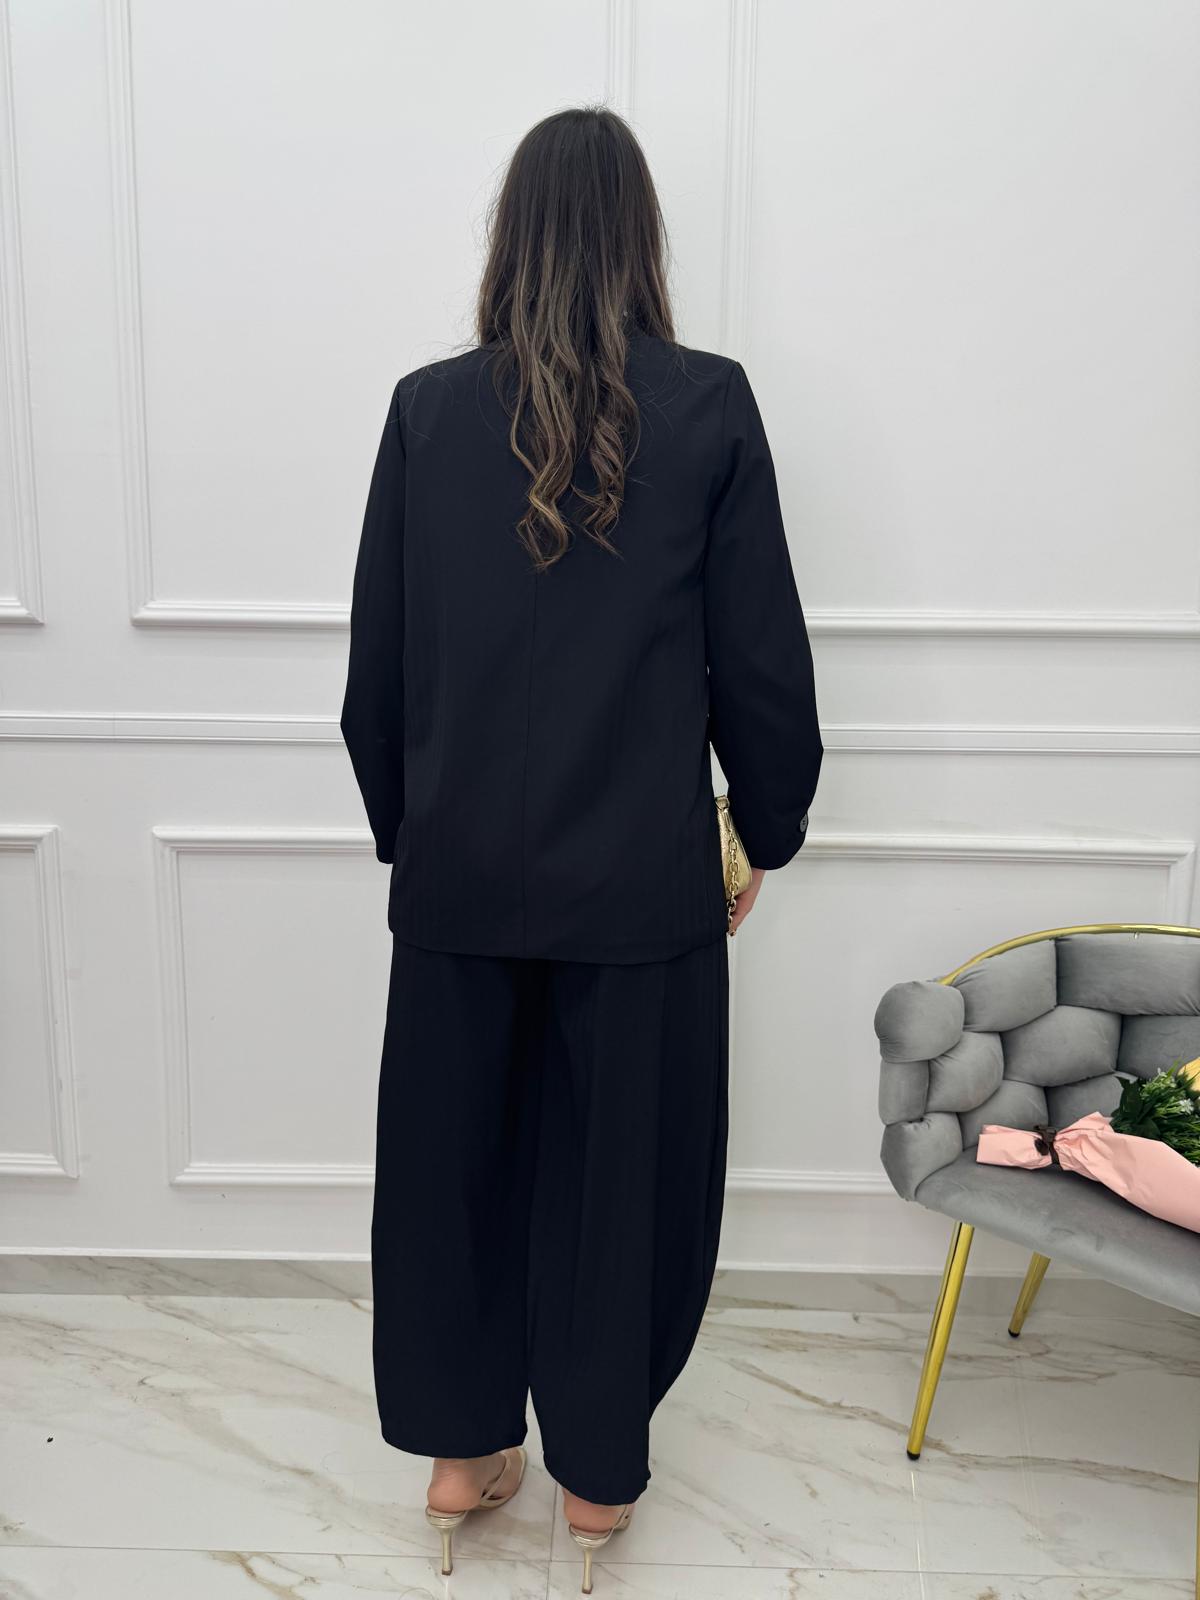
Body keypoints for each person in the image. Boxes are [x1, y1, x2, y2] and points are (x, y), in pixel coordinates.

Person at [340, 103, 823, 1594]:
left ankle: (459, 1458)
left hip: (462, 875)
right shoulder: (710, 404)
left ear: (512, 236)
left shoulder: (428, 411)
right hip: (640, 883)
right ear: (639, 240)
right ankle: (597, 1480)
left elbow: (376, 682)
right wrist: (764, 832)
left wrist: (415, 839)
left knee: (454, 1177)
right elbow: (761, 664)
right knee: (627, 1185)